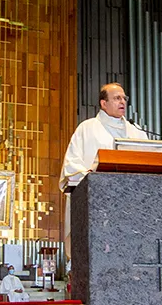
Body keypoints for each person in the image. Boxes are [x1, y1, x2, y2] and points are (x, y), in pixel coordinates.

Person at [58, 83, 149, 256]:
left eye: (124, 98)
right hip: (97, 207)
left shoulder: (137, 131)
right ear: (103, 103)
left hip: (131, 208)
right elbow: (72, 165)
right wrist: (92, 179)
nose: (122, 101)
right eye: (116, 98)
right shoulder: (87, 129)